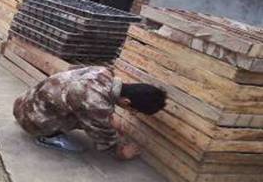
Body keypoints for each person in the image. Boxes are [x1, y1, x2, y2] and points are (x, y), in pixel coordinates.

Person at [13, 66, 166, 160]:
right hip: (31, 121)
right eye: (134, 111)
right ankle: (48, 137)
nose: (132, 113)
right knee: (95, 124)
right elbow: (106, 141)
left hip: (23, 103)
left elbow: (86, 95)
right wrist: (122, 152)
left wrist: (107, 118)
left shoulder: (103, 71)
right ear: (126, 102)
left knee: (89, 114)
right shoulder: (97, 105)